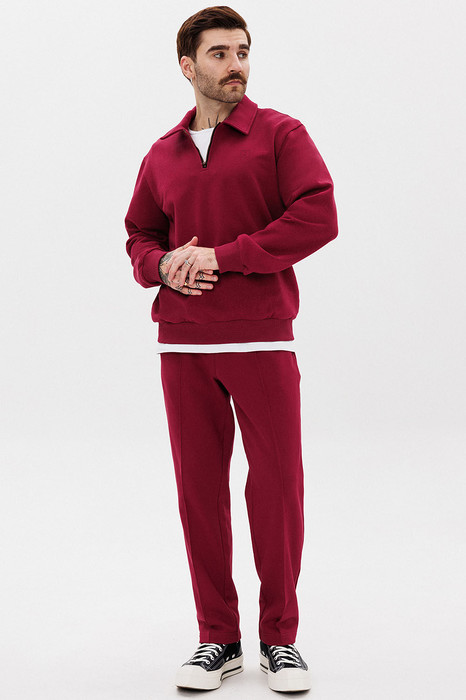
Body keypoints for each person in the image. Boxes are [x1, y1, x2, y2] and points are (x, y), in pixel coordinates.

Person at [125, 5, 338, 693]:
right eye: (219, 54)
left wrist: (226, 255)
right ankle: (217, 638)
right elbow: (139, 235)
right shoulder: (161, 154)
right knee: (199, 494)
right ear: (188, 66)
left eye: (242, 51)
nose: (235, 64)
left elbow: (318, 215)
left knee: (277, 488)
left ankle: (281, 640)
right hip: (183, 347)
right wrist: (162, 265)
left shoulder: (280, 134)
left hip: (261, 337)